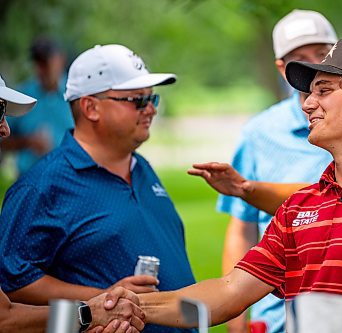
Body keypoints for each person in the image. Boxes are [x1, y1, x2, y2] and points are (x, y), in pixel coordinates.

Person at [109, 39, 342, 332]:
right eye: (309, 93)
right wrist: (125, 305)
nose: (307, 104)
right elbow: (229, 292)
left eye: (323, 90)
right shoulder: (300, 206)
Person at [218, 10, 342, 333]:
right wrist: (236, 323)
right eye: (300, 59)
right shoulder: (261, 136)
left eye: (321, 54)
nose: (309, 102)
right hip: (278, 316)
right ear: (281, 68)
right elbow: (241, 239)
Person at [0, 44, 196, 333]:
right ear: (91, 107)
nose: (152, 109)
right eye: (137, 100)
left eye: (151, 98)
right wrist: (99, 300)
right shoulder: (40, 186)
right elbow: (14, 284)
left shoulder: (141, 167)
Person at [0, 74, 145, 333]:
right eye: (0, 111)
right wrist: (88, 313)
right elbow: (5, 318)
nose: (6, 129)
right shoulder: (38, 185)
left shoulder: (141, 168)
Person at [1, 37, 74, 175]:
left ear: (60, 59)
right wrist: (27, 141)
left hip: (67, 178)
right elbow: (3, 140)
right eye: (37, 62)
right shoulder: (22, 97)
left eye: (45, 62)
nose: (41, 69)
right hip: (28, 179)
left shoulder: (76, 95)